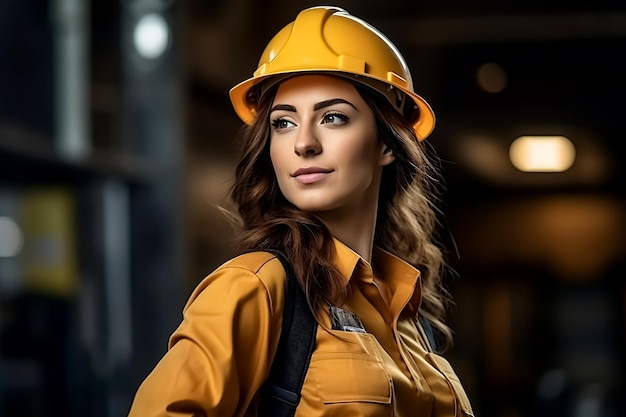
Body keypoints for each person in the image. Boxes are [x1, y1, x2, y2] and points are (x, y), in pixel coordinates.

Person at [127, 5, 474, 417]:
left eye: (332, 117)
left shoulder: (408, 315)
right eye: (283, 123)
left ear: (386, 143)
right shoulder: (256, 287)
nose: (303, 143)